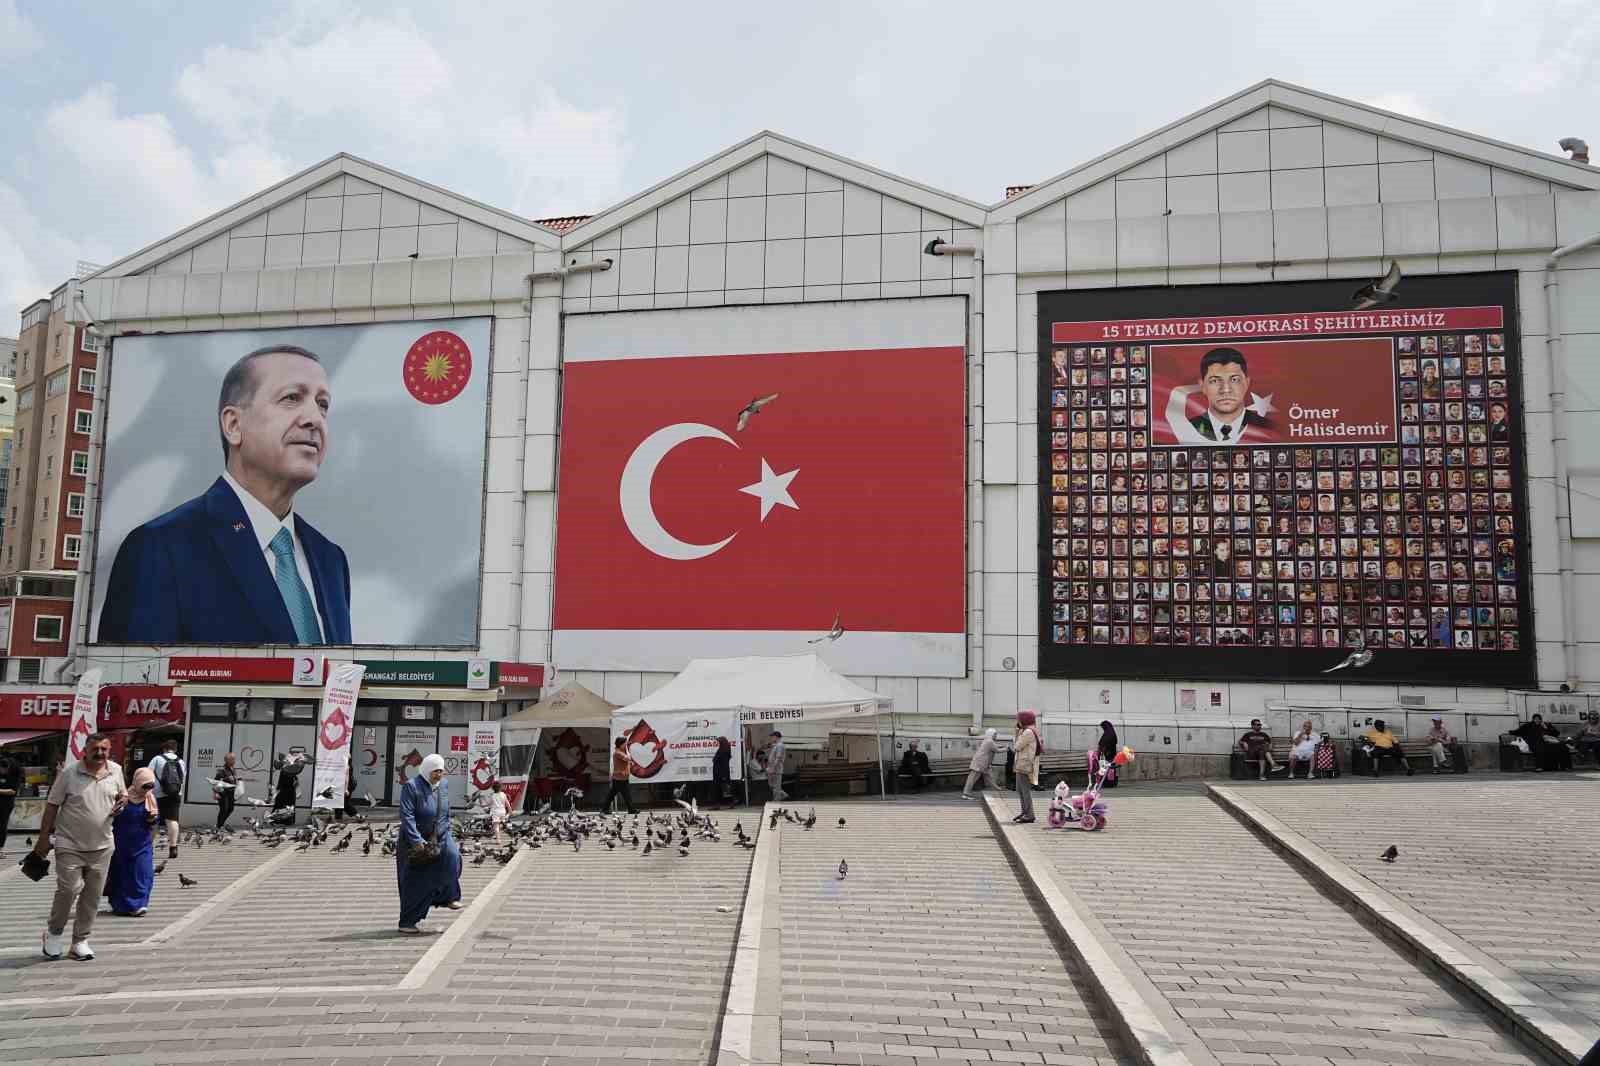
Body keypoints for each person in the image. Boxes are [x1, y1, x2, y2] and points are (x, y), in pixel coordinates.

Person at [97, 344, 352, 645]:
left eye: (323, 405)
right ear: (233, 425)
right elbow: (132, 682)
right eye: (292, 398)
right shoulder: (162, 548)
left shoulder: (330, 559)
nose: (315, 419)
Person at [31, 733, 126, 961]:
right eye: (96, 749)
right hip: (69, 843)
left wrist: (122, 802)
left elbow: (121, 795)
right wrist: (44, 838)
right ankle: (53, 934)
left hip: (102, 845)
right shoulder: (69, 773)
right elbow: (52, 805)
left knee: (92, 896)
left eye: (104, 749)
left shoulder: (116, 770)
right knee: (69, 889)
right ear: (85, 750)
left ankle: (79, 941)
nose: (100, 753)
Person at [396, 753, 463, 935]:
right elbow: (407, 815)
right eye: (435, 771)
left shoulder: (444, 785)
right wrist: (416, 840)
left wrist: (448, 829)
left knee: (452, 858)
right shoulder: (412, 786)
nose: (438, 775)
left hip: (441, 834)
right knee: (415, 881)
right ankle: (408, 921)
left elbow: (445, 809)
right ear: (426, 770)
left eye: (441, 771)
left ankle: (448, 897)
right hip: (415, 840)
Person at [106, 768, 159, 917]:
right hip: (121, 842)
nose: (148, 790)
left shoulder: (150, 799)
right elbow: (111, 816)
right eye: (145, 786)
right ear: (137, 783)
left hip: (143, 843)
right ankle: (121, 905)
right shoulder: (124, 797)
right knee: (121, 874)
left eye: (151, 786)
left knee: (143, 873)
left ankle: (139, 905)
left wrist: (152, 820)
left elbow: (155, 821)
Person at [1189, 348, 1269, 443]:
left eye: (1234, 380)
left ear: (1247, 383)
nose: (1226, 390)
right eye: (1214, 381)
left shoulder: (1268, 429)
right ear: (1202, 386)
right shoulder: (1187, 429)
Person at [148, 739, 186, 858]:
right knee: (172, 820)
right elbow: (183, 778)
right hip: (175, 794)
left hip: (157, 794)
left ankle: (149, 848)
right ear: (175, 749)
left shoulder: (157, 759)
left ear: (164, 749)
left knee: (154, 820)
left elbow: (148, 773)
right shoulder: (181, 761)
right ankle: (173, 848)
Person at [1011, 711, 1042, 823]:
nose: (1017, 722)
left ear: (1024, 719)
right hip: (1023, 764)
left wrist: (1017, 733)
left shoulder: (1028, 731)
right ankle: (1025, 812)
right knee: (1020, 790)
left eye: (1019, 719)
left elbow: (1017, 746)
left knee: (1024, 790)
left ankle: (1029, 815)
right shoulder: (1029, 730)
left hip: (1025, 765)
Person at [600, 736, 637, 814]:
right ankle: (631, 809)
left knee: (617, 794)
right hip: (619, 778)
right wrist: (627, 751)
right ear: (620, 744)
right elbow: (627, 758)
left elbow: (628, 760)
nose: (626, 745)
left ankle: (605, 809)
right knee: (619, 795)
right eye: (625, 743)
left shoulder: (621, 751)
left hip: (622, 777)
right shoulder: (617, 753)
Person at [963, 728, 999, 800]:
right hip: (980, 763)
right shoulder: (989, 742)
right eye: (995, 734)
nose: (996, 736)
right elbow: (997, 750)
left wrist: (1001, 746)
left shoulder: (988, 740)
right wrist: (1006, 749)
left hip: (982, 762)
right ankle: (966, 793)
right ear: (991, 734)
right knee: (972, 779)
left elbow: (994, 747)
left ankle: (997, 788)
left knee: (988, 776)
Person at [213, 752, 239, 831]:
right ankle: (218, 826)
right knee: (224, 809)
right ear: (227, 761)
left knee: (230, 809)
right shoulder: (222, 771)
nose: (234, 761)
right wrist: (216, 793)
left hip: (231, 794)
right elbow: (215, 782)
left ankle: (220, 824)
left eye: (234, 759)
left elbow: (234, 780)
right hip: (223, 794)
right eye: (232, 759)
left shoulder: (233, 770)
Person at [0, 753, 20, 855]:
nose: (2, 771)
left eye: (4, 769)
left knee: (2, 826)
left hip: (6, 804)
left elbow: (13, 791)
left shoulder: (14, 774)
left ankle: (1, 849)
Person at [1092, 721, 1120, 788]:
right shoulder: (1111, 733)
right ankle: (1110, 783)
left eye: (1103, 727)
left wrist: (1100, 752)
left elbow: (1103, 744)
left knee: (1107, 769)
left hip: (1107, 755)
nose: (1103, 729)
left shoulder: (1107, 734)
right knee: (1110, 769)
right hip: (1111, 755)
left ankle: (1106, 783)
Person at [711, 737, 733, 806]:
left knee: (721, 789)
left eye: (719, 742)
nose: (718, 743)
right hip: (720, 773)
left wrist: (724, 776)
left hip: (721, 774)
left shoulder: (723, 751)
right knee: (724, 789)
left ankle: (718, 805)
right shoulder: (722, 750)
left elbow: (724, 764)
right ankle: (730, 803)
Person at [766, 731, 788, 802]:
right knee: (773, 786)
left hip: (776, 769)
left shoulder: (780, 746)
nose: (771, 738)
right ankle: (783, 795)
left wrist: (773, 768)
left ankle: (776, 801)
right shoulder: (776, 745)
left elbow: (778, 758)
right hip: (773, 769)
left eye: (772, 737)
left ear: (776, 737)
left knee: (776, 787)